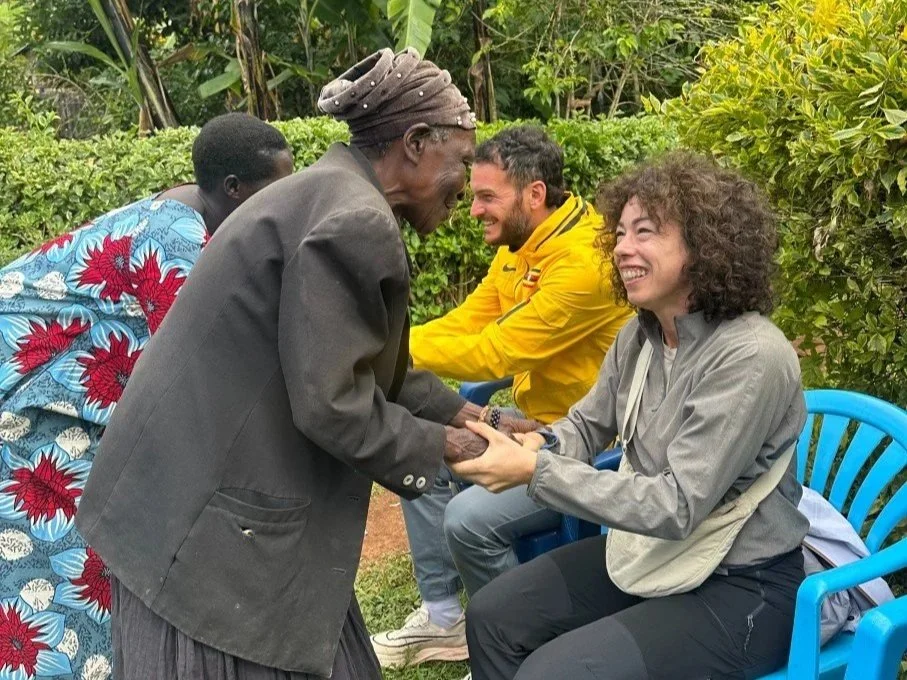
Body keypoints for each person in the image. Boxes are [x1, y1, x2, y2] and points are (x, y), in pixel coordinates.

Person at [75, 48, 484, 680]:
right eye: (461, 160)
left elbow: (371, 368)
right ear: (416, 142)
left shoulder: (328, 192)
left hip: (188, 509)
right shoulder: (353, 221)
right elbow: (333, 404)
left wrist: (463, 411)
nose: (467, 182)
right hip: (210, 534)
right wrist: (451, 448)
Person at [452, 152, 811, 680]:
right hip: (652, 554)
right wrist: (540, 447)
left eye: (645, 232)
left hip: (742, 584)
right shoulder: (640, 334)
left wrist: (536, 472)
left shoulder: (750, 355)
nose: (622, 248)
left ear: (704, 245)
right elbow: (585, 425)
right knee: (491, 617)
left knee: (553, 673)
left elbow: (675, 505)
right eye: (619, 233)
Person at [0, 112, 293, 680]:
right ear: (233, 189)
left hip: (54, 403)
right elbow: (212, 375)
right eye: (276, 192)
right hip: (23, 411)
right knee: (62, 569)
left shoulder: (199, 213)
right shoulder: (176, 243)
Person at [371, 126, 632, 668]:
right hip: (533, 422)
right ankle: (445, 617)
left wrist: (380, 349)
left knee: (468, 520)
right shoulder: (524, 245)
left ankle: (527, 642)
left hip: (593, 439)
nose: (474, 210)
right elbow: (473, 318)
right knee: (421, 451)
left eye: (488, 197)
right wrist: (394, 347)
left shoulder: (582, 264)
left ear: (533, 194)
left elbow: (497, 352)